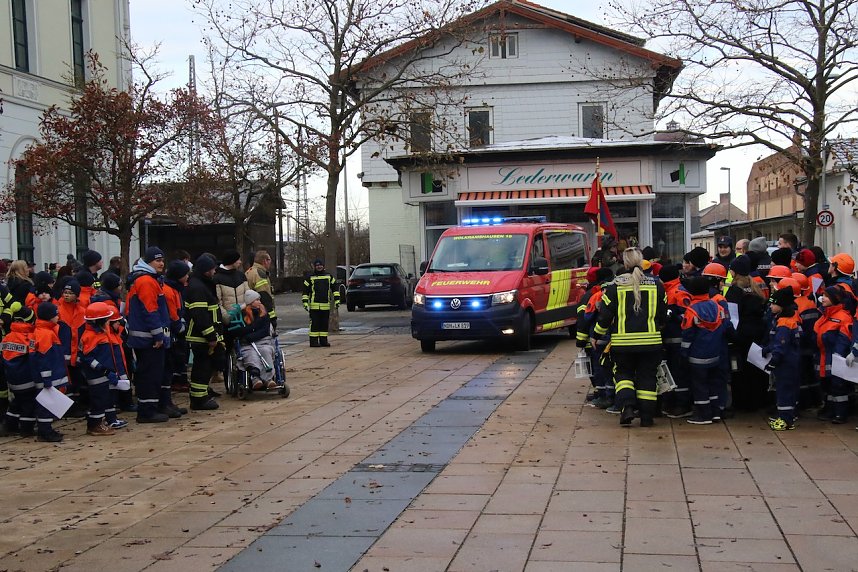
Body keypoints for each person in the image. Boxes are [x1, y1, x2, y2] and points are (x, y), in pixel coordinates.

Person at [592, 247, 666, 427]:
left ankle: (628, 407)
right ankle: (647, 418)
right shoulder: (657, 284)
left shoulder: (615, 286)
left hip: (623, 344)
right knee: (648, 377)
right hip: (651, 342)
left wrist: (596, 335)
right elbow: (663, 314)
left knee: (623, 374)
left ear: (624, 264)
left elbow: (605, 316)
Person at [125, 246, 171, 423]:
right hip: (148, 338)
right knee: (150, 375)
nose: (161, 263)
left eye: (162, 260)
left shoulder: (147, 279)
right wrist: (158, 335)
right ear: (148, 262)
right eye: (157, 260)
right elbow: (150, 310)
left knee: (149, 373)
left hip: (145, 337)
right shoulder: (146, 281)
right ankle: (147, 412)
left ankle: (149, 408)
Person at [681, 276, 732, 425]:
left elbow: (687, 335)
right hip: (715, 354)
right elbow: (726, 326)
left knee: (699, 386)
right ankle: (715, 412)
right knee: (713, 384)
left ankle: (703, 415)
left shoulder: (691, 310)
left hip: (697, 356)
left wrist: (683, 354)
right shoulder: (718, 307)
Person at [725, 255, 769, 410]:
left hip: (742, 335)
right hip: (758, 333)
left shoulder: (734, 291)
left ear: (734, 272)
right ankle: (759, 400)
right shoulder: (756, 288)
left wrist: (732, 336)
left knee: (740, 371)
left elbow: (733, 316)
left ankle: (743, 403)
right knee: (756, 368)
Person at [184, 254, 222, 411]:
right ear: (206, 270)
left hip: (203, 335)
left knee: (205, 367)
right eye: (213, 269)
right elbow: (200, 315)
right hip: (201, 337)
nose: (214, 272)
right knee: (202, 368)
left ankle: (201, 395)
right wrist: (210, 336)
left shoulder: (201, 284)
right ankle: (199, 399)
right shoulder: (198, 288)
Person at [762, 286, 802, 430]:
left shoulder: (784, 323)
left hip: (786, 364)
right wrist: (768, 348)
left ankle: (786, 420)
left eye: (773, 304)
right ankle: (787, 417)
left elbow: (781, 345)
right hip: (789, 362)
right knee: (787, 390)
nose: (770, 306)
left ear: (781, 306)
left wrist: (773, 362)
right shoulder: (784, 320)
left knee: (784, 391)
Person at [575, 267, 615, 409]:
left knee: (599, 368)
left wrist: (581, 340)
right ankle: (607, 394)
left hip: (596, 339)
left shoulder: (591, 295)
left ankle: (604, 395)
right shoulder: (613, 291)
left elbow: (584, 319)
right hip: (612, 338)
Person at [27, 302, 67, 442]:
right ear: (49, 317)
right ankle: (45, 432)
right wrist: (47, 379)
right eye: (55, 314)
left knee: (46, 405)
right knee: (45, 406)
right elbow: (43, 358)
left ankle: (46, 430)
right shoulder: (45, 333)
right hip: (47, 378)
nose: (58, 317)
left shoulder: (41, 331)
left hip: (44, 376)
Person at [78, 302, 118, 436]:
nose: (108, 321)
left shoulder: (99, 333)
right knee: (98, 401)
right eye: (106, 319)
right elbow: (87, 359)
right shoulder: (91, 336)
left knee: (102, 399)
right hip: (97, 376)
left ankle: (97, 423)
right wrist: (104, 370)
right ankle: (95, 426)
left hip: (103, 374)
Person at [815, 287, 853, 424]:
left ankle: (840, 413)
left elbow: (844, 339)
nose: (822, 298)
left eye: (826, 296)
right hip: (823, 355)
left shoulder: (843, 317)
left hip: (834, 357)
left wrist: (837, 356)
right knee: (827, 385)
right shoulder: (825, 313)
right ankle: (830, 409)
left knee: (838, 386)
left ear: (835, 298)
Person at [660, 264, 693, 418]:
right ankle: (672, 402)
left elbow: (687, 315)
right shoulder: (667, 291)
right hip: (669, 340)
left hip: (678, 340)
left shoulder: (679, 292)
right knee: (670, 373)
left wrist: (672, 315)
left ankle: (682, 405)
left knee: (680, 373)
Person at [161, 261, 190, 416]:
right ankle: (164, 403)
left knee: (170, 369)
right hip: (171, 334)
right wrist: (180, 327)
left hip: (175, 333)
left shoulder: (175, 289)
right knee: (166, 370)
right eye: (185, 274)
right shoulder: (168, 290)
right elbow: (173, 315)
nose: (187, 277)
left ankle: (167, 402)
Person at [238, 289, 278, 391]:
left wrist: (251, 333)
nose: (260, 302)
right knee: (251, 354)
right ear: (251, 302)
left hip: (263, 341)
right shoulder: (242, 315)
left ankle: (268, 379)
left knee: (266, 351)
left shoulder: (264, 314)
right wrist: (251, 332)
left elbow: (265, 331)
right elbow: (240, 330)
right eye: (257, 300)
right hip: (248, 344)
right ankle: (255, 378)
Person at [302, 259, 339, 347]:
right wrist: (305, 302)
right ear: (314, 267)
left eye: (320, 265)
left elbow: (335, 288)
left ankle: (323, 341)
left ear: (323, 266)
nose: (319, 267)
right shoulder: (310, 277)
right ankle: (313, 342)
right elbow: (305, 291)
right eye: (317, 265)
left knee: (324, 325)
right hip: (314, 306)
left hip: (325, 306)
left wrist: (337, 300)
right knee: (314, 324)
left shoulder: (329, 276)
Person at [245, 250, 277, 330]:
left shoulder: (249, 271)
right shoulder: (260, 274)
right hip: (260, 313)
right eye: (269, 260)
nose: (270, 262)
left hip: (251, 311)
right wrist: (272, 317)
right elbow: (264, 296)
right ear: (265, 261)